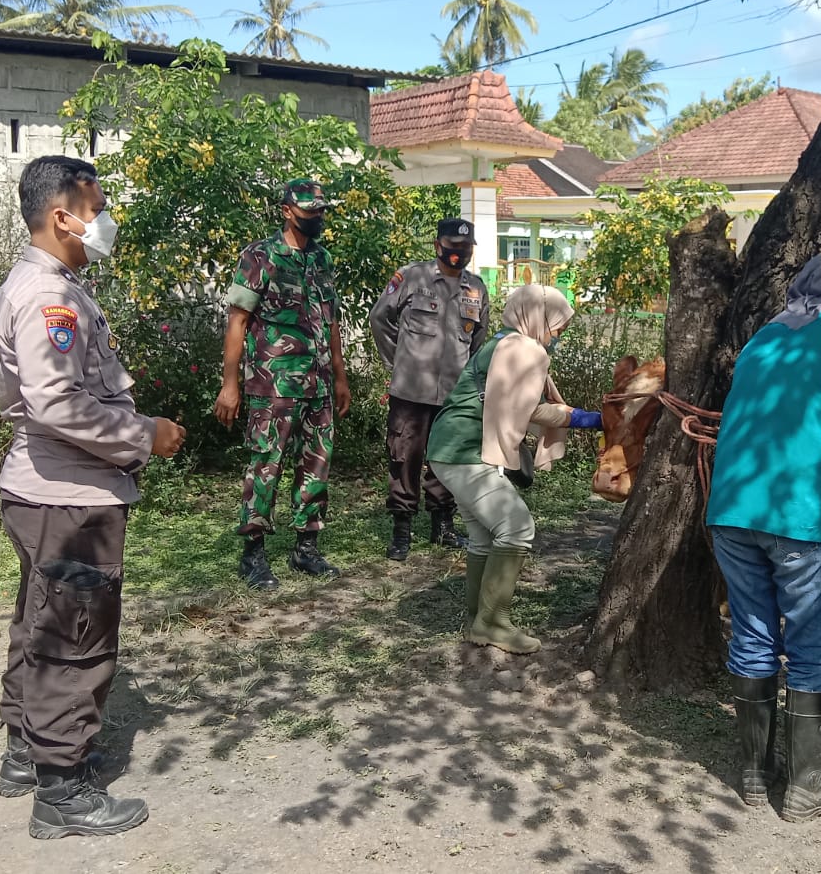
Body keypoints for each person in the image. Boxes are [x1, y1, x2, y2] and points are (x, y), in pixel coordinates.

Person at [0, 155, 185, 839]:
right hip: (67, 496)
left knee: (41, 621)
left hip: (51, 492)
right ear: (60, 216)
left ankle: (26, 754)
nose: (104, 222)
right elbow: (56, 403)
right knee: (74, 636)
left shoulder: (56, 286)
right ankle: (63, 790)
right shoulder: (49, 298)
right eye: (96, 208)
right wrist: (145, 434)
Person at [704, 255, 821, 823]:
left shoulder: (768, 331)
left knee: (753, 631)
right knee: (810, 646)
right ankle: (808, 789)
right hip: (804, 511)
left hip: (732, 506)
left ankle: (756, 774)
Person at [426, 284, 603, 654]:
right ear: (538, 318)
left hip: (449, 446)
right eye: (557, 327)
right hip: (465, 451)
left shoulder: (503, 341)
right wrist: (584, 419)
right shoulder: (523, 348)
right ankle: (492, 623)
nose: (557, 336)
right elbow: (527, 410)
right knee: (517, 527)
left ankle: (477, 619)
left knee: (484, 537)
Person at [213, 178, 352, 590]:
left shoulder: (322, 259)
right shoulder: (260, 256)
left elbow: (331, 323)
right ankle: (252, 553)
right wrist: (229, 384)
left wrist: (340, 377)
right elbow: (237, 322)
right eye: (311, 211)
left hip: (320, 384)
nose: (318, 218)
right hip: (273, 383)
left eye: (321, 211)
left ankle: (305, 547)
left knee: (317, 464)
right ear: (288, 211)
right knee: (265, 465)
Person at [370, 217, 491, 561]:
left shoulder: (477, 288)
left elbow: (477, 340)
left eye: (465, 249)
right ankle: (401, 530)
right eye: (453, 248)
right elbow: (380, 318)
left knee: (446, 459)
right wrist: (400, 361)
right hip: (410, 391)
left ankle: (443, 527)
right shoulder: (411, 277)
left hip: (454, 395)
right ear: (438, 246)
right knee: (404, 457)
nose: (459, 255)